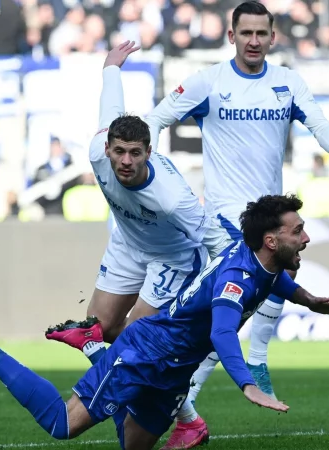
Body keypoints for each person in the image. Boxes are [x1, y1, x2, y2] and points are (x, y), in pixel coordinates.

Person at [0, 194, 329, 449]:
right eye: (298, 231)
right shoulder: (235, 280)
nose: (306, 237)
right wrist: (247, 384)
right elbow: (222, 331)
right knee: (62, 424)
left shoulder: (258, 259)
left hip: (174, 370)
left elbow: (274, 280)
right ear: (271, 240)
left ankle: (92, 345)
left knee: (133, 447)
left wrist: (310, 301)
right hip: (145, 351)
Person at [141, 2, 329, 447]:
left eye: (262, 33)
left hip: (270, 214)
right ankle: (238, 371)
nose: (254, 41)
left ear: (273, 37)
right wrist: (151, 176)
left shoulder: (287, 83)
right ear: (232, 36)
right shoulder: (208, 82)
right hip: (225, 216)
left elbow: (317, 120)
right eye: (246, 33)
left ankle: (193, 402)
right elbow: (156, 119)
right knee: (240, 302)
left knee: (242, 303)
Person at [44, 41, 233, 368]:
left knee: (135, 339)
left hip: (172, 257)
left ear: (149, 152)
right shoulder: (96, 153)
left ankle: (165, 387)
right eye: (119, 152)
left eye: (135, 153)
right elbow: (111, 106)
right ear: (107, 148)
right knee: (99, 330)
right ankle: (164, 360)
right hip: (128, 243)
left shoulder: (172, 198)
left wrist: (239, 288)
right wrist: (111, 68)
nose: (126, 161)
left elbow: (218, 243)